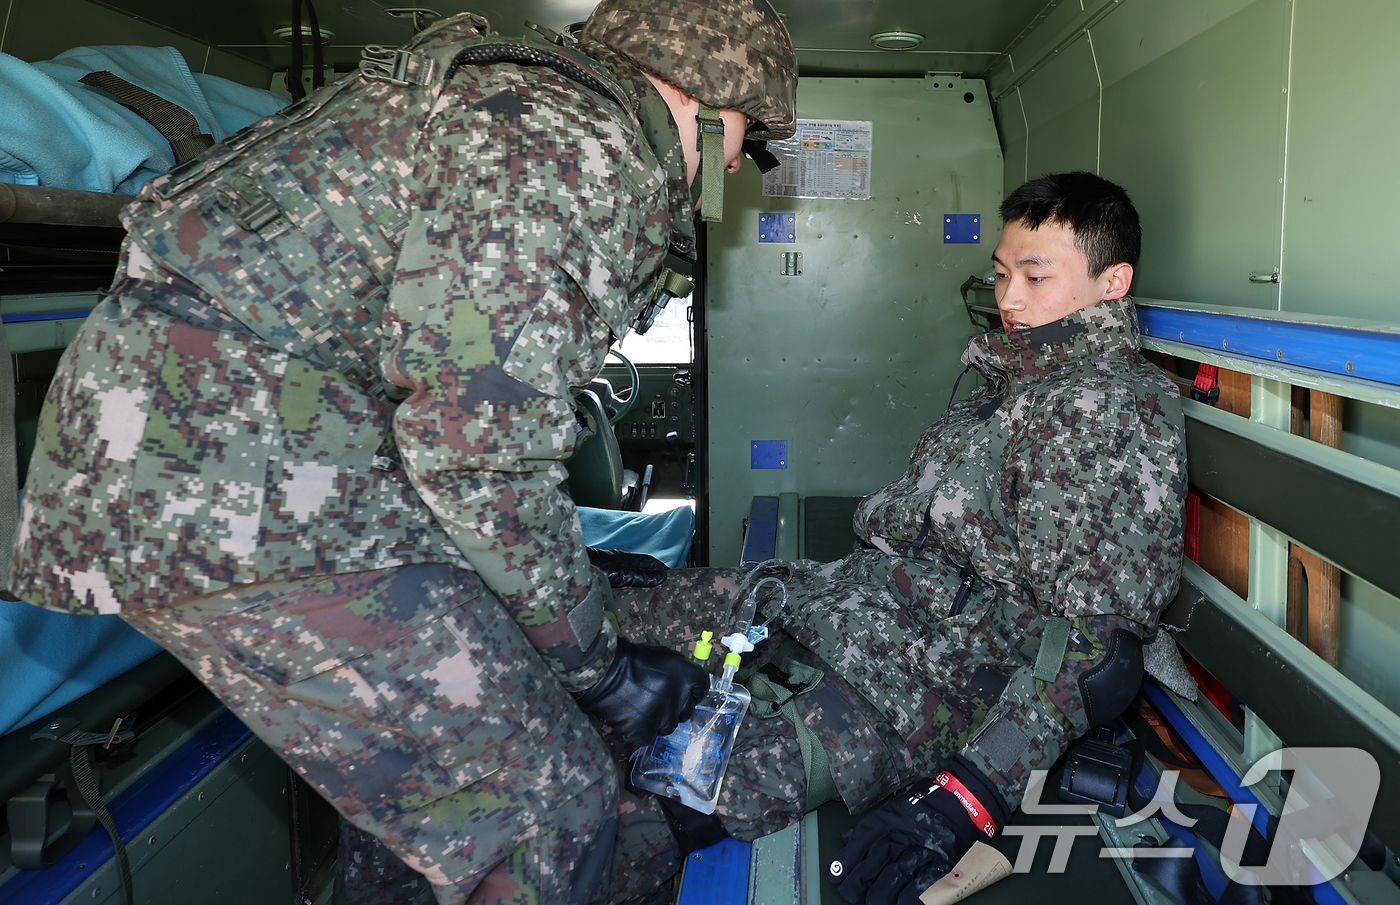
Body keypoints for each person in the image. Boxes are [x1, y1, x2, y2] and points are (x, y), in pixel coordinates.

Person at [10, 2, 797, 903]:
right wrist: (598, 667)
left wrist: (573, 642)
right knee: (549, 806)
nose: (739, 161)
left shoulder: (518, 103)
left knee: (454, 789)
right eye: (752, 136)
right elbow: (483, 452)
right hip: (235, 467)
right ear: (706, 95)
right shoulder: (570, 139)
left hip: (236, 447)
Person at [603, 172, 1188, 905]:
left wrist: (970, 793)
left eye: (1036, 277)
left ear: (1113, 282)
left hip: (915, 690)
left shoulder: (1106, 411)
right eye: (1003, 275)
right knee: (602, 610)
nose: (1009, 298)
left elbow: (1097, 647)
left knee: (630, 815)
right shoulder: (1017, 382)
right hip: (845, 610)